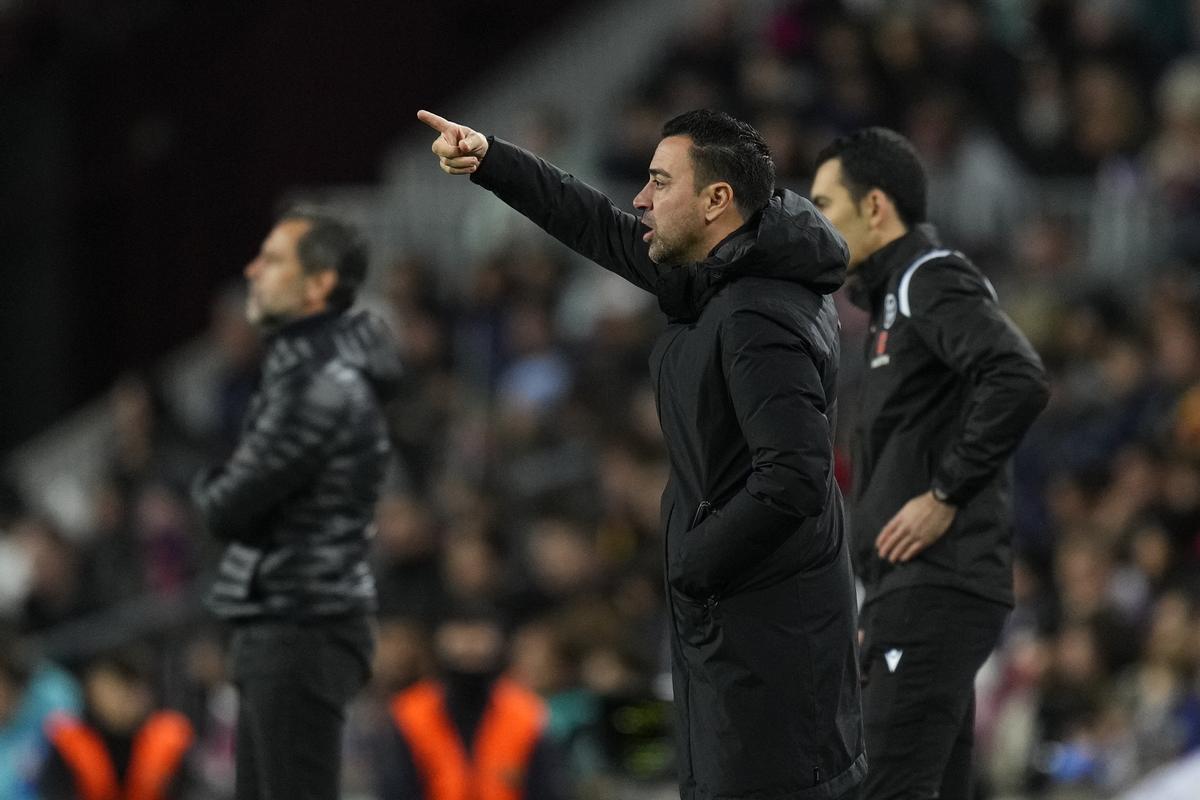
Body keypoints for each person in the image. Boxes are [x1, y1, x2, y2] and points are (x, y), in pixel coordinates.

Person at [418, 108, 865, 800]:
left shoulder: (756, 311)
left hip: (767, 645)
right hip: (750, 627)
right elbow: (599, 226)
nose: (641, 198)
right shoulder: (723, 280)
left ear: (717, 200)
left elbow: (796, 477)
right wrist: (494, 160)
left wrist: (692, 563)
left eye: (660, 182)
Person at [809, 128, 1050, 800]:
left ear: (876, 207)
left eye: (826, 204)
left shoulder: (928, 278)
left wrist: (944, 494)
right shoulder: (889, 302)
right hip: (909, 592)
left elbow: (1018, 376)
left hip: (935, 586)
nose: (816, 221)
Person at [191, 208, 402, 800]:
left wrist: (216, 483)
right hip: (282, 625)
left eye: (275, 260)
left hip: (301, 627)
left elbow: (225, 505)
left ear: (319, 284)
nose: (254, 269)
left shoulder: (319, 383)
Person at [374, 609, 565, 800]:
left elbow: (546, 788)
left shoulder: (527, 712)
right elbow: (396, 787)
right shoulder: (409, 713)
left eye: (479, 634)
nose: (470, 645)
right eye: (461, 633)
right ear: (440, 639)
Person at [40, 649, 195, 800]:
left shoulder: (171, 737)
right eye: (112, 686)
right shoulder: (68, 742)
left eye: (131, 685)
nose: (122, 696)